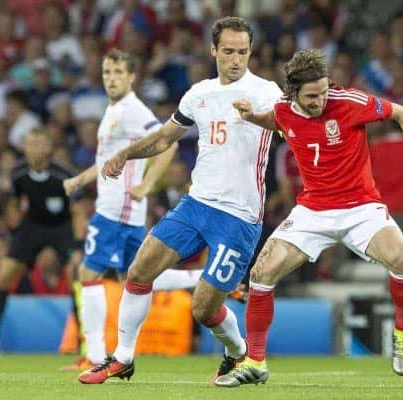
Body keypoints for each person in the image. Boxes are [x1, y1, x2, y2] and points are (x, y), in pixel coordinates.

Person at [77, 16, 282, 384]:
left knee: (204, 309)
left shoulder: (266, 92)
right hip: (196, 204)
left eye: (243, 52)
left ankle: (237, 353)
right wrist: (126, 155)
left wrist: (263, 118)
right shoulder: (199, 93)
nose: (236, 59)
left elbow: (288, 125)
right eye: (229, 51)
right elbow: (164, 138)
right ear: (213, 50)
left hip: (239, 216)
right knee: (139, 271)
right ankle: (122, 358)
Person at [215, 49, 403, 387]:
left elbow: (402, 112)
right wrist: (251, 116)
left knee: (402, 261)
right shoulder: (284, 110)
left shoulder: (347, 101)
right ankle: (256, 361)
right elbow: (277, 120)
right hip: (313, 210)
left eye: (323, 91)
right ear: (293, 94)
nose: (320, 100)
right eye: (312, 96)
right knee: (262, 272)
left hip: (361, 207)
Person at [59, 49, 202, 371]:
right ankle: (201, 277)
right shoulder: (114, 111)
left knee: (88, 274)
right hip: (126, 212)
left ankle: (94, 355)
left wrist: (146, 185)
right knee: (136, 279)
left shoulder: (133, 110)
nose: (111, 79)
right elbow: (107, 160)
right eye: (108, 73)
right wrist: (81, 179)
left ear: (132, 77)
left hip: (116, 209)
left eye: (118, 73)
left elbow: (171, 143)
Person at [0, 127, 75, 353]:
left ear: (49, 148)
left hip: (62, 228)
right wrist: (15, 228)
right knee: (2, 278)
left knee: (76, 278)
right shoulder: (18, 174)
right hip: (32, 227)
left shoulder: (64, 174)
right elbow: (14, 202)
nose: (32, 148)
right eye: (29, 143)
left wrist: (76, 244)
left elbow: (76, 209)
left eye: (38, 143)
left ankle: (81, 339)